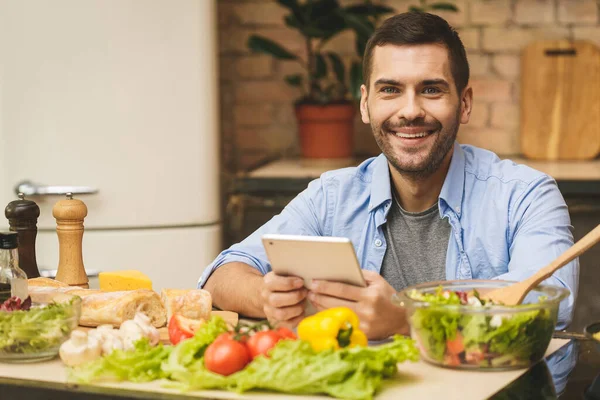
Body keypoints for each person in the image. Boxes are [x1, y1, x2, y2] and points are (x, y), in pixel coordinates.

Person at [198, 12, 578, 339]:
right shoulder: (333, 196)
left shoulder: (527, 195)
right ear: (366, 104)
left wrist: (407, 318)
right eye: (390, 90)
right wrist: (263, 294)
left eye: (431, 89)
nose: (410, 111)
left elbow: (550, 301)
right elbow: (220, 276)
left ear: (463, 104)